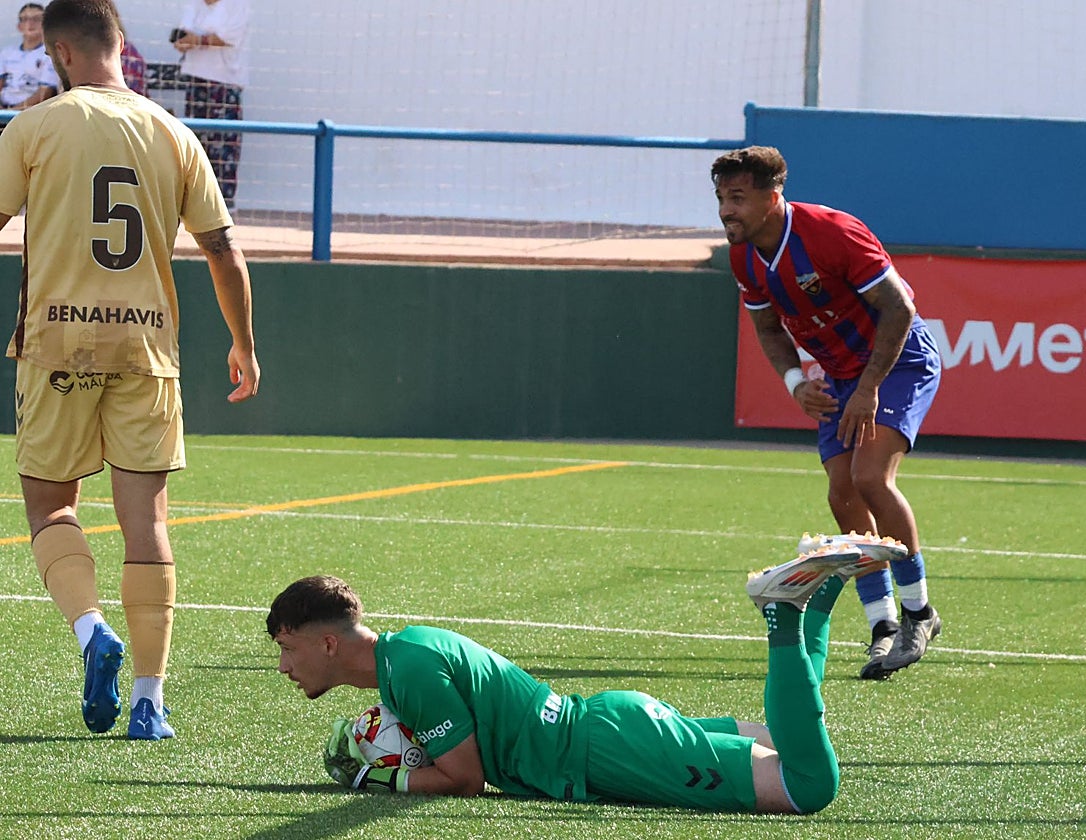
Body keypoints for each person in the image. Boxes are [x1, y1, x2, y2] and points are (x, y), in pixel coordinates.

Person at [0, 0, 260, 741]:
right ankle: (150, 699)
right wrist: (243, 342)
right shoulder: (173, 130)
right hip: (146, 349)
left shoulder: (36, 125)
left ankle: (91, 633)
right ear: (119, 46)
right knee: (145, 522)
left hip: (55, 345)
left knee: (52, 507)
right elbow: (223, 251)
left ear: (60, 55)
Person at [267, 546, 883, 813]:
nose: (284, 667)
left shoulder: (411, 671)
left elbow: (465, 780)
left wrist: (386, 775)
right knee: (788, 738)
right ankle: (819, 599)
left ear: (327, 642)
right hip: (605, 728)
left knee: (809, 786)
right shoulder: (410, 652)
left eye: (288, 649)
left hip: (609, 753)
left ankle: (787, 616)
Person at [711, 145, 942, 680]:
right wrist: (796, 383)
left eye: (738, 198)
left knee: (869, 478)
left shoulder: (832, 232)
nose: (727, 210)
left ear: (774, 197)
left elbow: (900, 308)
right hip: (839, 378)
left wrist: (868, 388)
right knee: (842, 493)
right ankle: (883, 626)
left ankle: (918, 614)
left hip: (899, 362)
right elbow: (768, 327)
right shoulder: (743, 254)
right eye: (722, 198)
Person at [171, 0, 249, 207]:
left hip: (224, 82)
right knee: (195, 142)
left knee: (223, 144)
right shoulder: (193, 5)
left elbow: (228, 37)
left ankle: (223, 202)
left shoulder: (237, 5)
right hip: (196, 78)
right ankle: (195, 202)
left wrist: (197, 40)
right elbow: (184, 33)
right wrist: (184, 41)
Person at [0, 3, 59, 110]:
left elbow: (45, 93)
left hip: (31, 111)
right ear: (19, 26)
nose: (30, 23)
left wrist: (12, 112)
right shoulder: (6, 53)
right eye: (25, 19)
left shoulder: (49, 54)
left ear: (45, 25)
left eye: (36, 19)